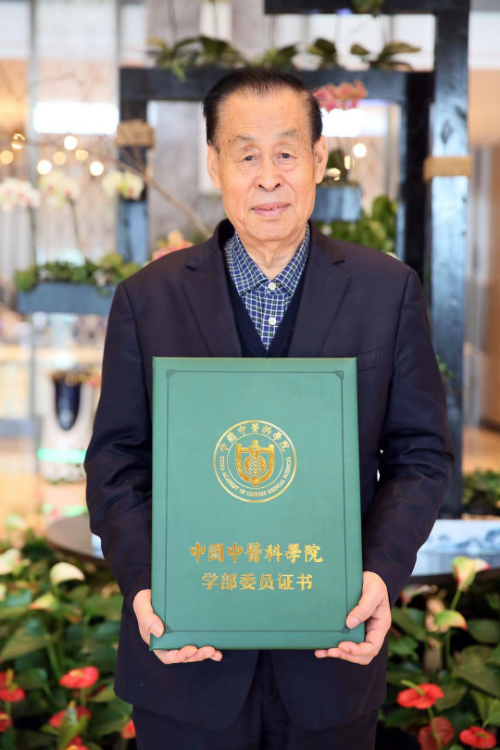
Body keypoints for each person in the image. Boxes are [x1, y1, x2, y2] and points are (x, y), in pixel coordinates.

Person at [84, 67, 455, 750]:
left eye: (286, 153)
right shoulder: (147, 300)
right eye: (246, 155)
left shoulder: (386, 291)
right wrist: (146, 584)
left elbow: (421, 456)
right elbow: (116, 464)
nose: (268, 178)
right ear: (214, 164)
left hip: (332, 655)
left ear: (318, 159)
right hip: (185, 659)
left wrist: (380, 571)